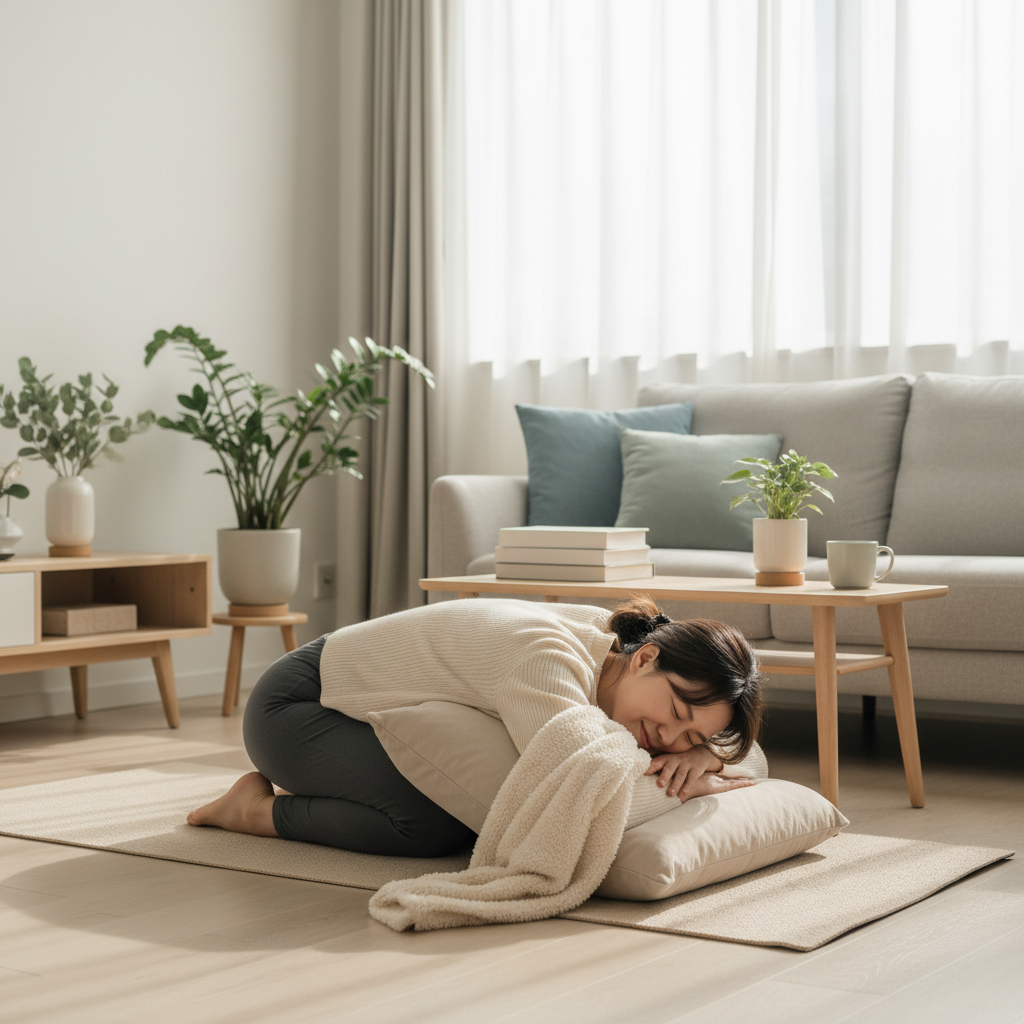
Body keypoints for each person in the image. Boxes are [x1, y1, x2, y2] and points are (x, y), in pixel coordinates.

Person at [188, 596, 765, 857]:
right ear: (646, 660)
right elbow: (582, 791)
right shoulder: (545, 659)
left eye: (692, 735)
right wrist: (689, 782)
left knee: (458, 823)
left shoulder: (619, 652)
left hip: (344, 696)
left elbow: (749, 756)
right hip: (297, 707)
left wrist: (704, 759)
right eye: (677, 716)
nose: (669, 740)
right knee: (431, 829)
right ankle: (253, 812)